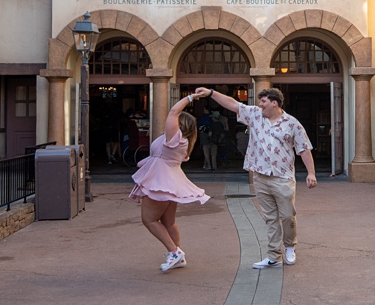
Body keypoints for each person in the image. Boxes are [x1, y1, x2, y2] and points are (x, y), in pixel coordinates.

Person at [194, 86, 315, 269]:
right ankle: (274, 256)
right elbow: (233, 104)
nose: (260, 104)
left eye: (263, 101)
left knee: (288, 216)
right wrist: (211, 93)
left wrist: (311, 173)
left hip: (283, 177)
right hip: (260, 176)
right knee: (270, 218)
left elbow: (304, 149)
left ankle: (290, 246)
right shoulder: (255, 115)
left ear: (274, 103)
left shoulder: (292, 123)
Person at [129, 91, 210, 272]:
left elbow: (173, 112)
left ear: (180, 123)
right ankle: (177, 253)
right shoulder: (183, 141)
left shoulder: (175, 137)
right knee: (168, 221)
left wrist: (190, 98)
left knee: (149, 219)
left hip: (161, 180)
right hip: (170, 178)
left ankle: (174, 252)